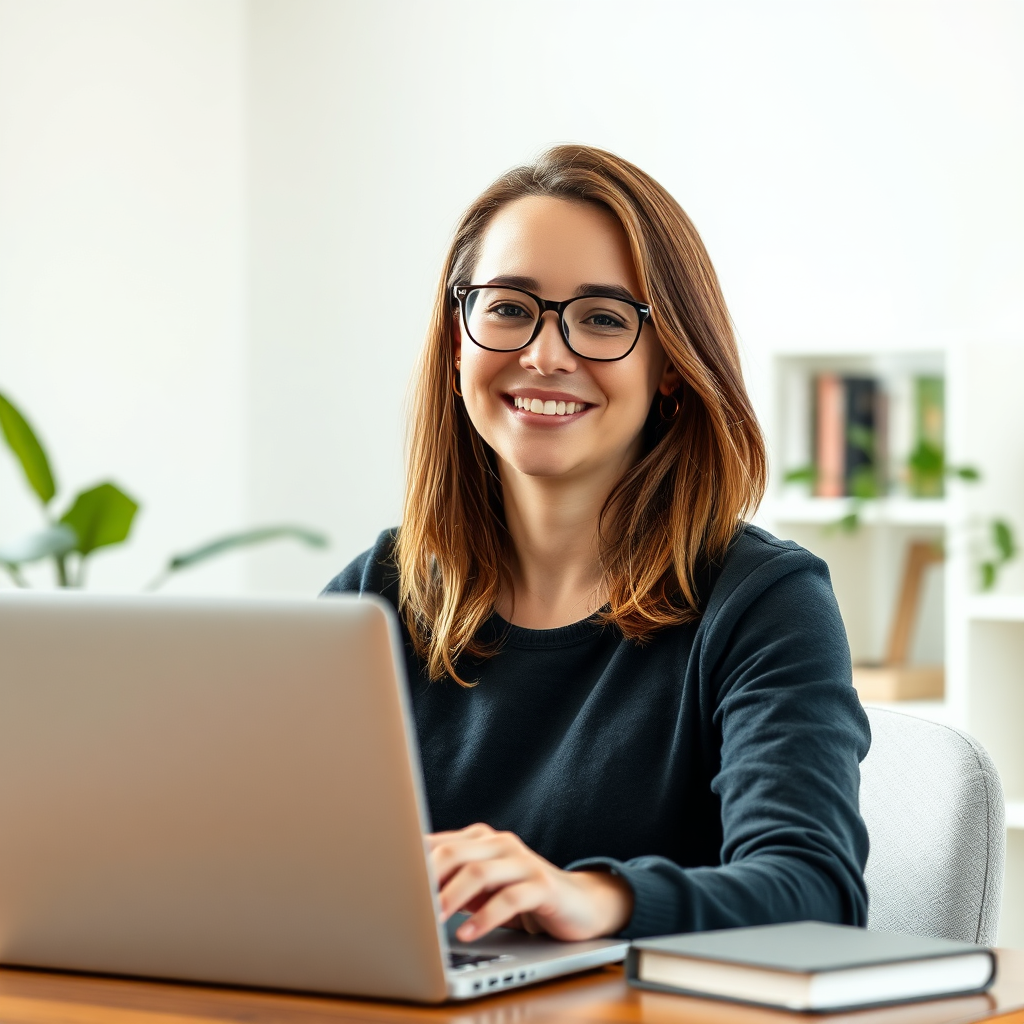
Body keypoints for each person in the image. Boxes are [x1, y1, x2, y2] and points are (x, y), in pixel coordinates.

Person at [323, 145, 870, 944]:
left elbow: (814, 889)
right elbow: (283, 863)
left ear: (672, 367)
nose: (546, 354)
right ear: (455, 343)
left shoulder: (763, 604)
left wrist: (592, 899)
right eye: (508, 307)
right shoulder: (378, 592)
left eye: (604, 319)